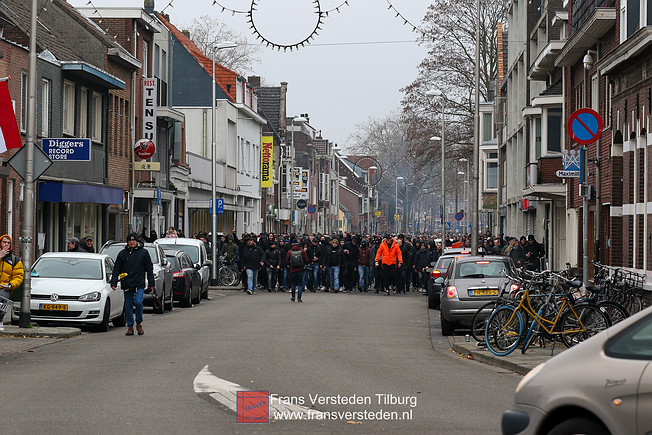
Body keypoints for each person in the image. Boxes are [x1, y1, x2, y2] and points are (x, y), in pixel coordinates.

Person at [111, 232, 155, 336]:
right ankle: (130, 326)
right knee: (128, 305)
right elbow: (116, 268)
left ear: (137, 241)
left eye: (133, 240)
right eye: (130, 240)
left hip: (139, 282)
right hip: (127, 282)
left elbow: (149, 268)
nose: (132, 242)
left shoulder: (144, 253)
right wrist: (114, 281)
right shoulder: (122, 254)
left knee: (139, 302)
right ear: (127, 242)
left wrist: (151, 283)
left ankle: (139, 323)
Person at [0, 235, 24, 331]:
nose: (6, 244)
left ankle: (0, 320)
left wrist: (11, 284)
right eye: (4, 242)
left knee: (2, 301)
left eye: (8, 243)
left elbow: (18, 276)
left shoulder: (15, 260)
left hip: (4, 287)